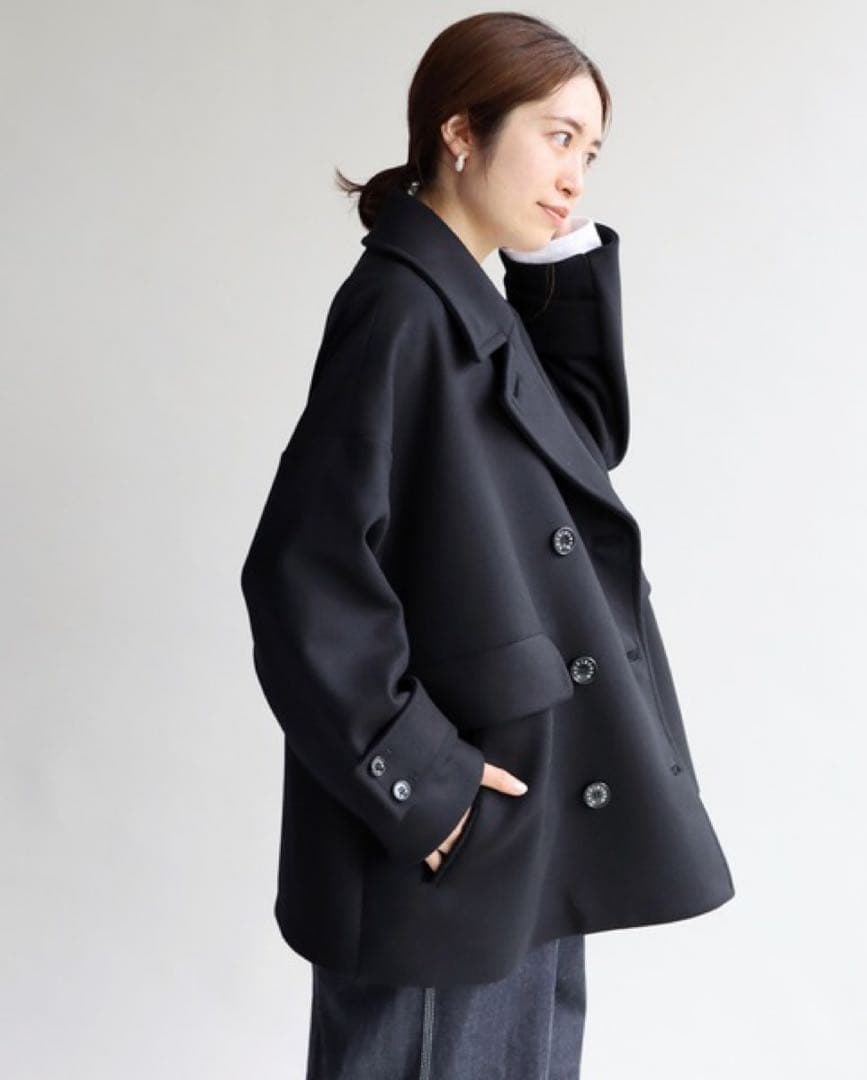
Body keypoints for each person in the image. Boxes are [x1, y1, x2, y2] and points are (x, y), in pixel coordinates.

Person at [240, 11, 736, 1079]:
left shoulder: (463, 302)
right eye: (557, 138)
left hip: (515, 820)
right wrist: (425, 787)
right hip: (449, 836)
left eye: (590, 152)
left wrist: (552, 256)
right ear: (460, 132)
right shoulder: (399, 312)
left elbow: (579, 443)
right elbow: (300, 576)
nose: (575, 177)